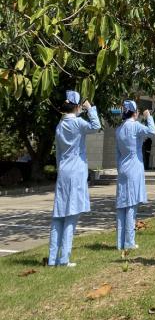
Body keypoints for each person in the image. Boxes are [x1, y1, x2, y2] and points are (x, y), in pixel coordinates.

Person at [48, 90, 101, 267]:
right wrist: (90, 108)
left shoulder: (60, 125)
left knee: (58, 215)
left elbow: (58, 154)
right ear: (77, 106)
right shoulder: (77, 123)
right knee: (71, 215)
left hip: (63, 171)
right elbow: (96, 126)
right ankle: (64, 258)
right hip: (76, 171)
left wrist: (60, 169)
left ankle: (52, 258)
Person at [115, 99, 155, 252]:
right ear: (135, 113)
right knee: (131, 205)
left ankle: (120, 242)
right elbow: (151, 131)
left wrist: (119, 168)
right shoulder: (135, 126)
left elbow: (117, 154)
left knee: (122, 205)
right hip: (134, 167)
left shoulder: (119, 129)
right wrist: (148, 116)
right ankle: (129, 241)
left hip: (123, 168)